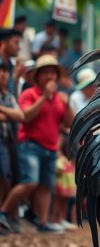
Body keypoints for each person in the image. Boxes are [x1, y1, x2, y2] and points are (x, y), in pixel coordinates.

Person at [0, 55, 74, 233]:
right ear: (38, 75)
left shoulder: (59, 98)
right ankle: (3, 212)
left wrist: (68, 104)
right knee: (30, 182)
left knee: (46, 187)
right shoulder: (29, 94)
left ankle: (42, 223)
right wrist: (44, 97)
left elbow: (69, 124)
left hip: (50, 148)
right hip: (30, 145)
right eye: (46, 72)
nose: (50, 76)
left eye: (53, 73)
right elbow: (25, 117)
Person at [0, 62, 24, 206]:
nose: (3, 74)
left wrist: (2, 109)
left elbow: (19, 115)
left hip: (7, 142)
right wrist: (9, 114)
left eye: (5, 71)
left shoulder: (8, 96)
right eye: (0, 71)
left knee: (5, 177)